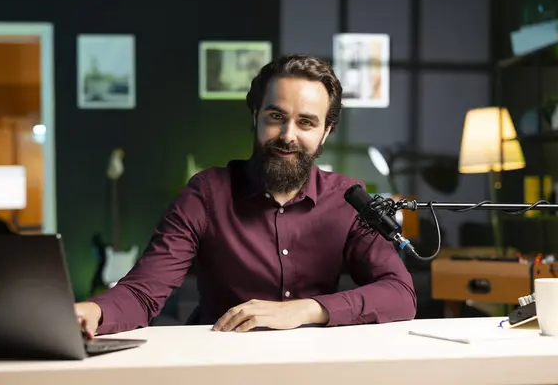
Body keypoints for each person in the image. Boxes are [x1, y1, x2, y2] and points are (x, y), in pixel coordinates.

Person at [75, 54, 416, 337]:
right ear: (255, 116)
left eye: (306, 123)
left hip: (314, 366)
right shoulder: (205, 193)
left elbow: (399, 293)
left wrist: (307, 309)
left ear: (326, 131)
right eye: (276, 116)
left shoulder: (348, 199)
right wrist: (94, 310)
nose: (288, 135)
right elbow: (143, 290)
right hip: (221, 365)